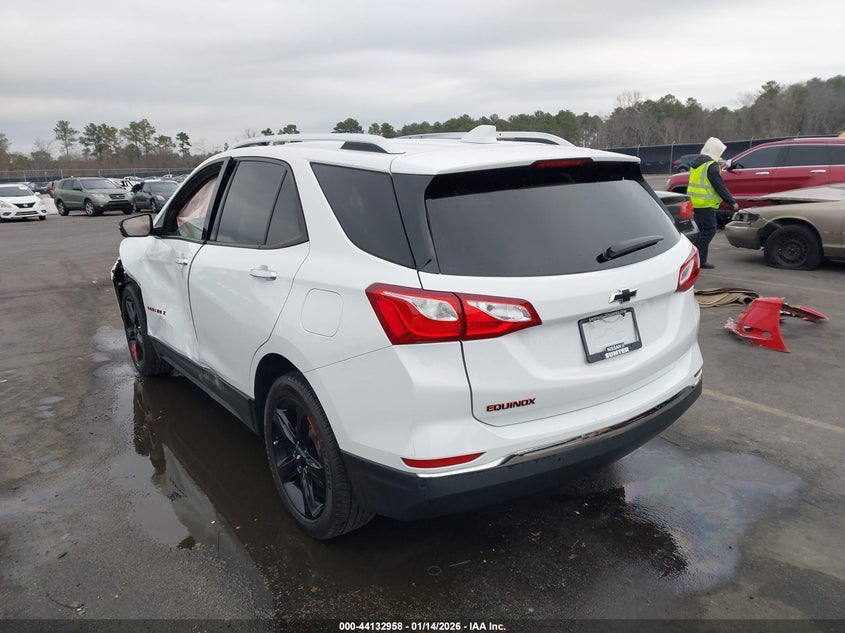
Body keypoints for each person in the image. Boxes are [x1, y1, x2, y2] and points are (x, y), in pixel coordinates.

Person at [686, 137, 740, 269]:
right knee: (709, 230)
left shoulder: (696, 164)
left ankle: (698, 259)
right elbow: (719, 186)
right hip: (705, 204)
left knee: (700, 231)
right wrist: (732, 202)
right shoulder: (711, 165)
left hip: (695, 202)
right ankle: (698, 259)